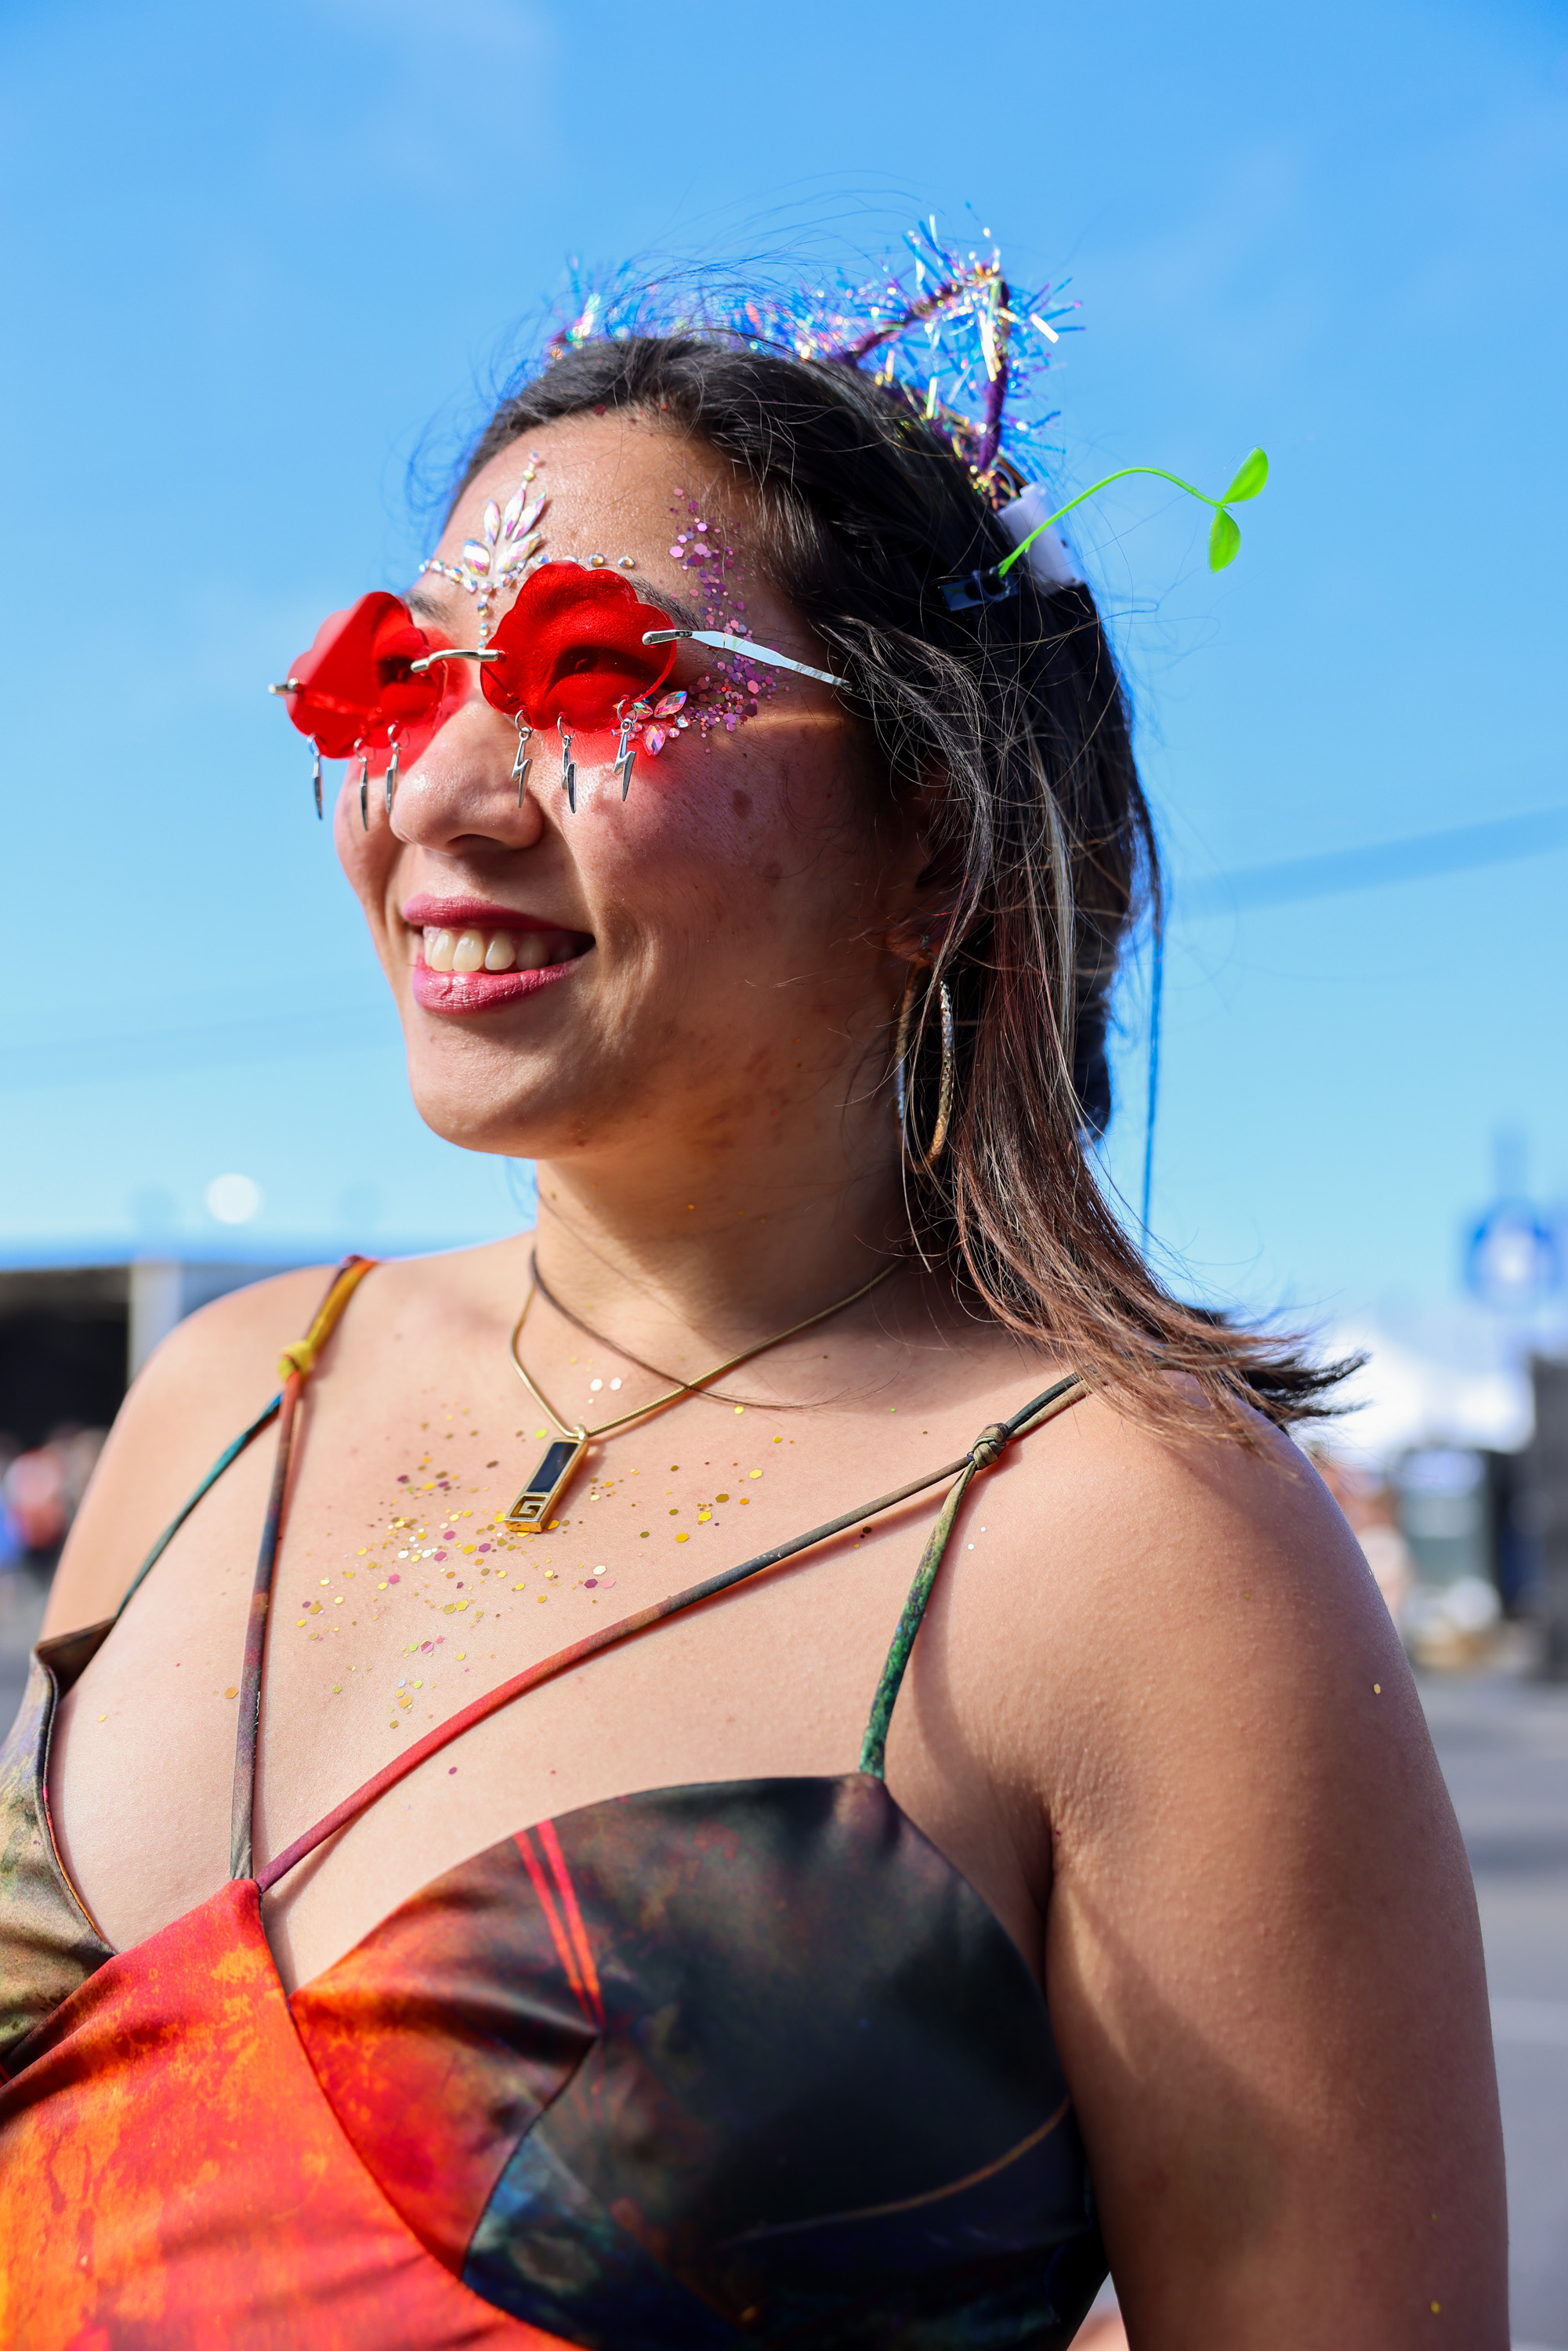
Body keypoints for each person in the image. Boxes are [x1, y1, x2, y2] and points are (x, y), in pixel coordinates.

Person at [0, 252, 1506, 2348]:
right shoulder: (235, 1390)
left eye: (598, 679)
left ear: (932, 838)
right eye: (403, 682)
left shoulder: (1123, 1551)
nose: (439, 796)